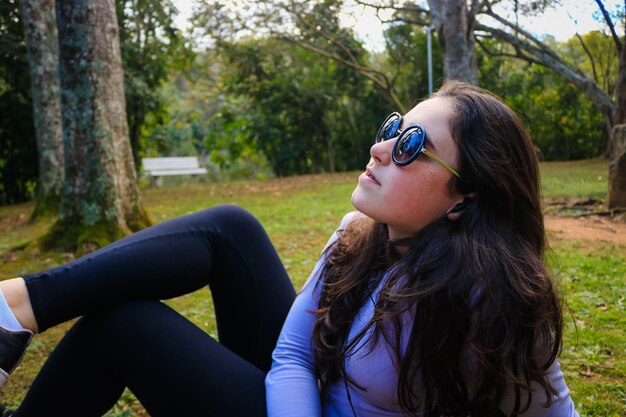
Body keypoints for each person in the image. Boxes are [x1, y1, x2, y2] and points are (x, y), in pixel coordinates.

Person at [0, 81, 578, 417]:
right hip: (301, 402)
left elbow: (553, 407)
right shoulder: (359, 234)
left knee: (124, 327)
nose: (380, 149)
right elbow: (294, 357)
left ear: (463, 197)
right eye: (392, 127)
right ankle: (15, 307)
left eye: (411, 146)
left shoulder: (494, 298)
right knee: (231, 228)